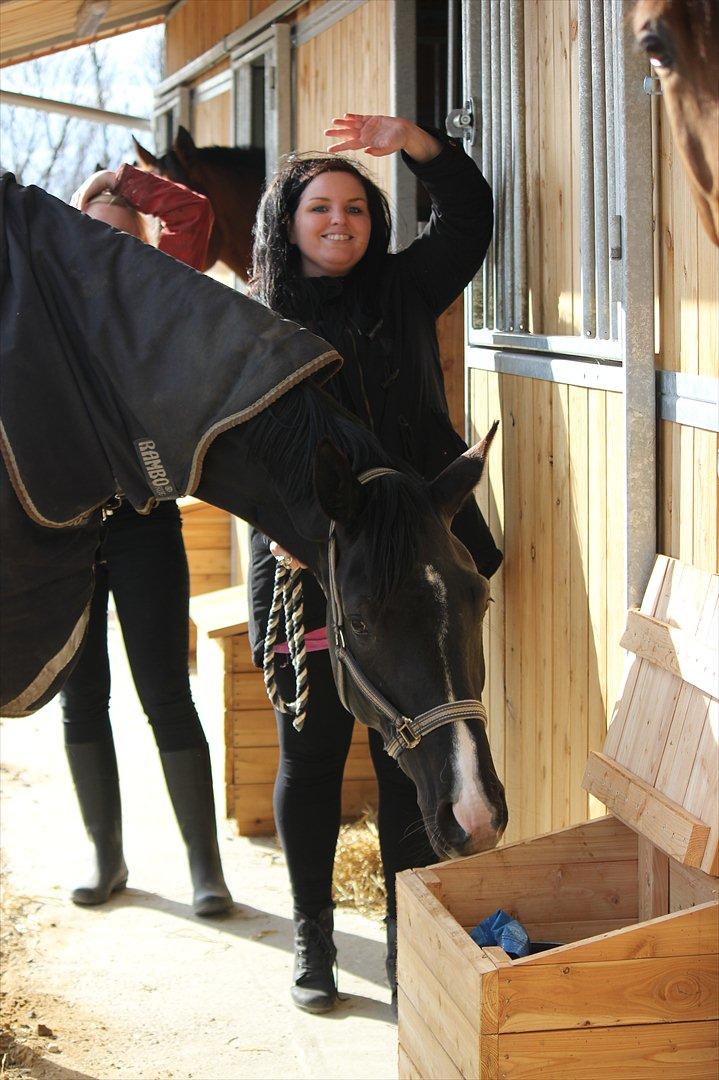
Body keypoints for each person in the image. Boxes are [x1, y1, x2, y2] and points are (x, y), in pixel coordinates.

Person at [247, 112, 501, 1013]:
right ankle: (312, 940)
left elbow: (469, 219)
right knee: (311, 753)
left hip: (413, 563)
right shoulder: (257, 319)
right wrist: (278, 523)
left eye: (356, 208)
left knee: (413, 754)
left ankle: (406, 941)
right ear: (288, 221)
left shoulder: (402, 288)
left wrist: (418, 145)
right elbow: (225, 441)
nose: (341, 223)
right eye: (321, 208)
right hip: (306, 558)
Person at [61, 164, 232, 916]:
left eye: (128, 237)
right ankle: (107, 857)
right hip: (59, 533)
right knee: (81, 697)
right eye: (97, 236)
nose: (114, 250)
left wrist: (119, 178)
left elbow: (192, 214)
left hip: (144, 522)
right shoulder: (39, 308)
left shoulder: (156, 298)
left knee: (166, 691)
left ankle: (205, 868)